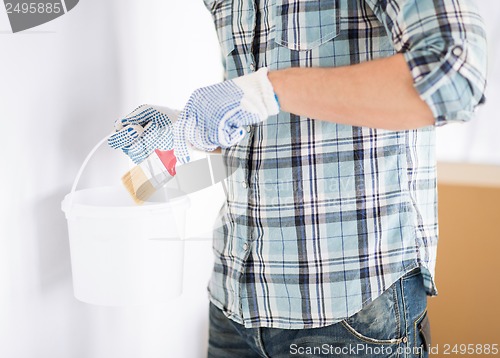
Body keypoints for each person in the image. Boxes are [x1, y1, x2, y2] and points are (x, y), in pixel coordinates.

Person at [108, 0, 487, 357]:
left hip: (351, 316)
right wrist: (187, 129)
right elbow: (272, 128)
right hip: (233, 305)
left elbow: (454, 79)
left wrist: (265, 90)